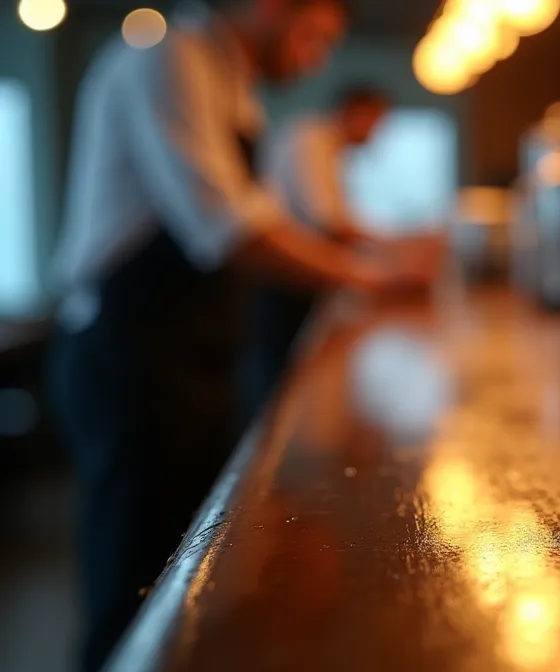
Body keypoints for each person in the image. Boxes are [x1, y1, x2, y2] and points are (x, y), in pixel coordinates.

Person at [44, 1, 430, 669]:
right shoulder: (169, 57)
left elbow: (262, 215)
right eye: (316, 36)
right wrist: (367, 277)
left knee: (185, 576)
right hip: (129, 355)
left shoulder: (231, 83)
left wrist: (368, 264)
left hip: (188, 354)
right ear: (271, 8)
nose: (318, 57)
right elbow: (227, 227)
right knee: (132, 589)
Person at [243, 85, 411, 418]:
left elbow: (337, 219)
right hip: (285, 273)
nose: (376, 133)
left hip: (300, 269)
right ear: (355, 113)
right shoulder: (310, 140)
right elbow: (327, 221)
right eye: (375, 122)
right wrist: (388, 258)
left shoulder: (327, 146)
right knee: (280, 376)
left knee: (295, 368)